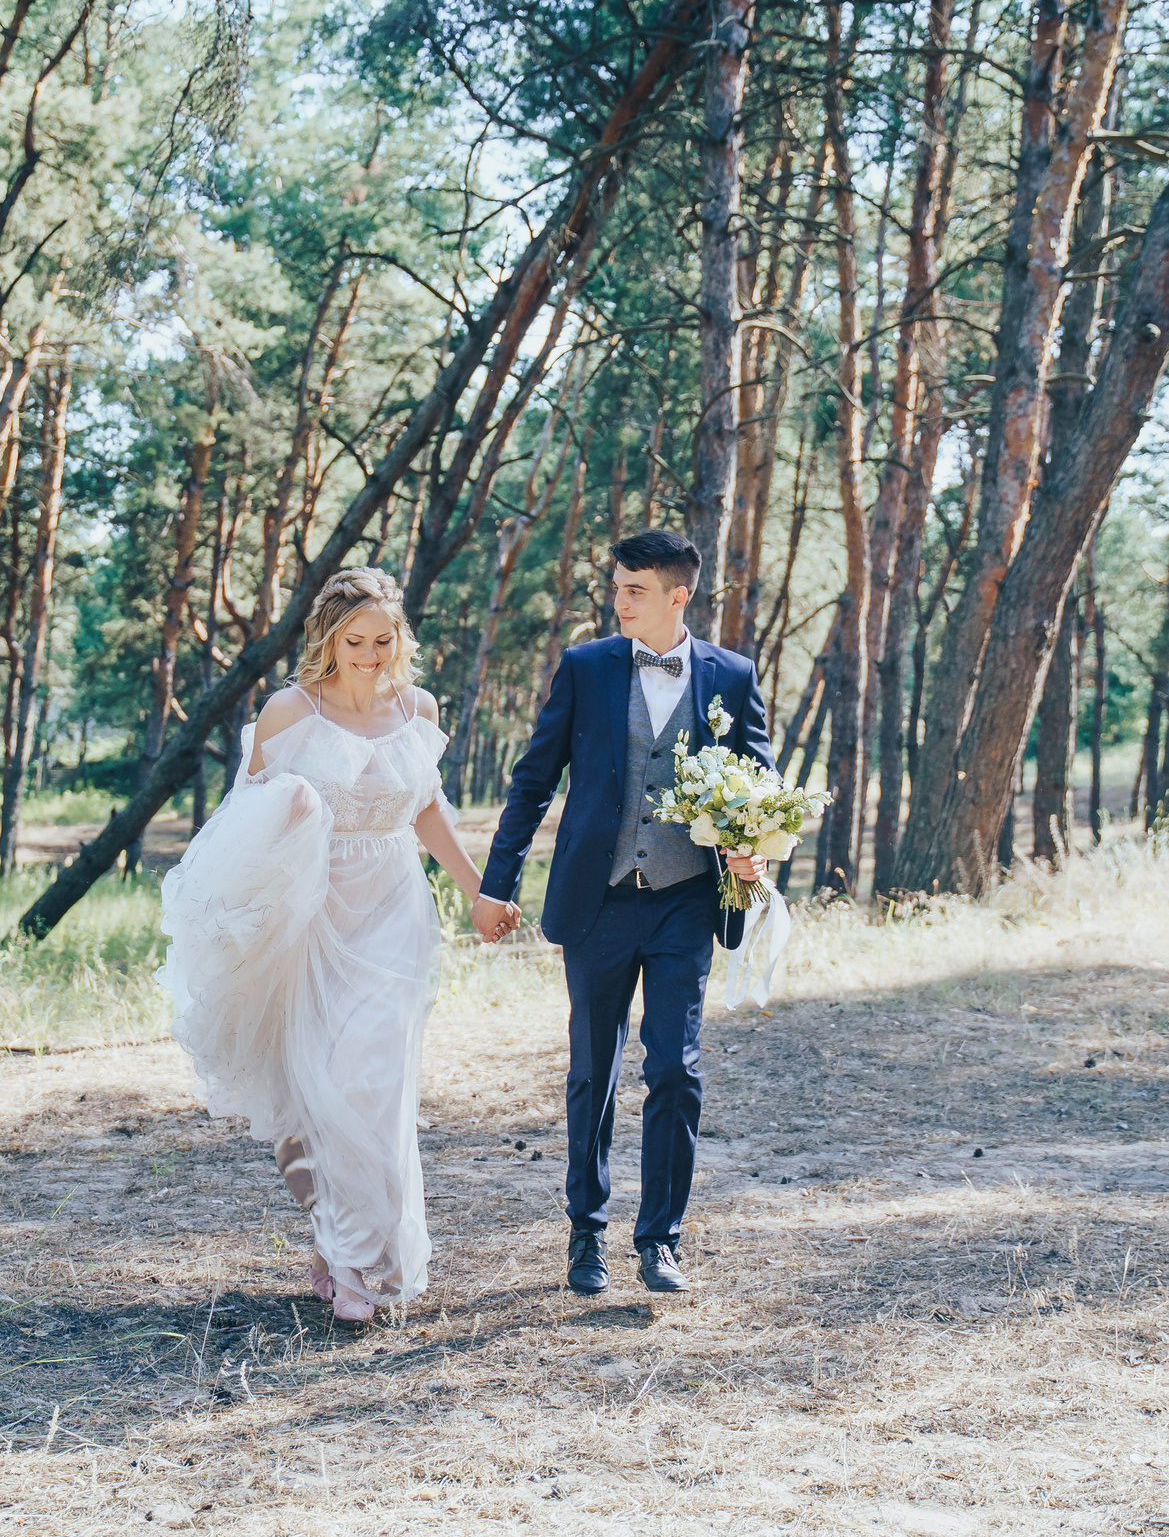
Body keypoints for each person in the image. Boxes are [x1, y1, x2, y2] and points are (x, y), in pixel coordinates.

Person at [158, 568, 512, 1322]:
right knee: (320, 1086)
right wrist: (291, 807)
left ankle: (358, 1266)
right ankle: (339, 1242)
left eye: (384, 640)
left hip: (393, 909)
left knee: (374, 1084)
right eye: (356, 642)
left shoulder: (417, 707)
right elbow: (245, 818)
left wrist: (478, 892)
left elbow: (427, 808)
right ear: (328, 638)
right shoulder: (291, 711)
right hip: (312, 911)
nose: (372, 655)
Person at [476, 530, 777, 1296]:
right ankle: (587, 1231)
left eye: (634, 590)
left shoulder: (732, 676)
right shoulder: (586, 668)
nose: (619, 601)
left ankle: (661, 1240)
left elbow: (762, 786)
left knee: (675, 1068)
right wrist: (497, 881)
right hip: (600, 899)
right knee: (593, 1071)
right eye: (616, 587)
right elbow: (533, 781)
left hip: (686, 902)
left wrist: (755, 851)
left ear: (679, 596)